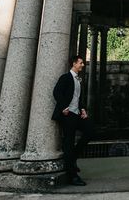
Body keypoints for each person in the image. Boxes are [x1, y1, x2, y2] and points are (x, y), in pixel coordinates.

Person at [52, 54, 94, 186]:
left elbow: (77, 97)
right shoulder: (65, 77)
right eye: (81, 63)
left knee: (90, 131)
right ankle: (73, 176)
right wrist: (64, 107)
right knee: (68, 143)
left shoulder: (79, 80)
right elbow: (56, 92)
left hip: (76, 114)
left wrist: (82, 109)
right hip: (68, 115)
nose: (82, 65)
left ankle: (73, 157)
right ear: (74, 64)